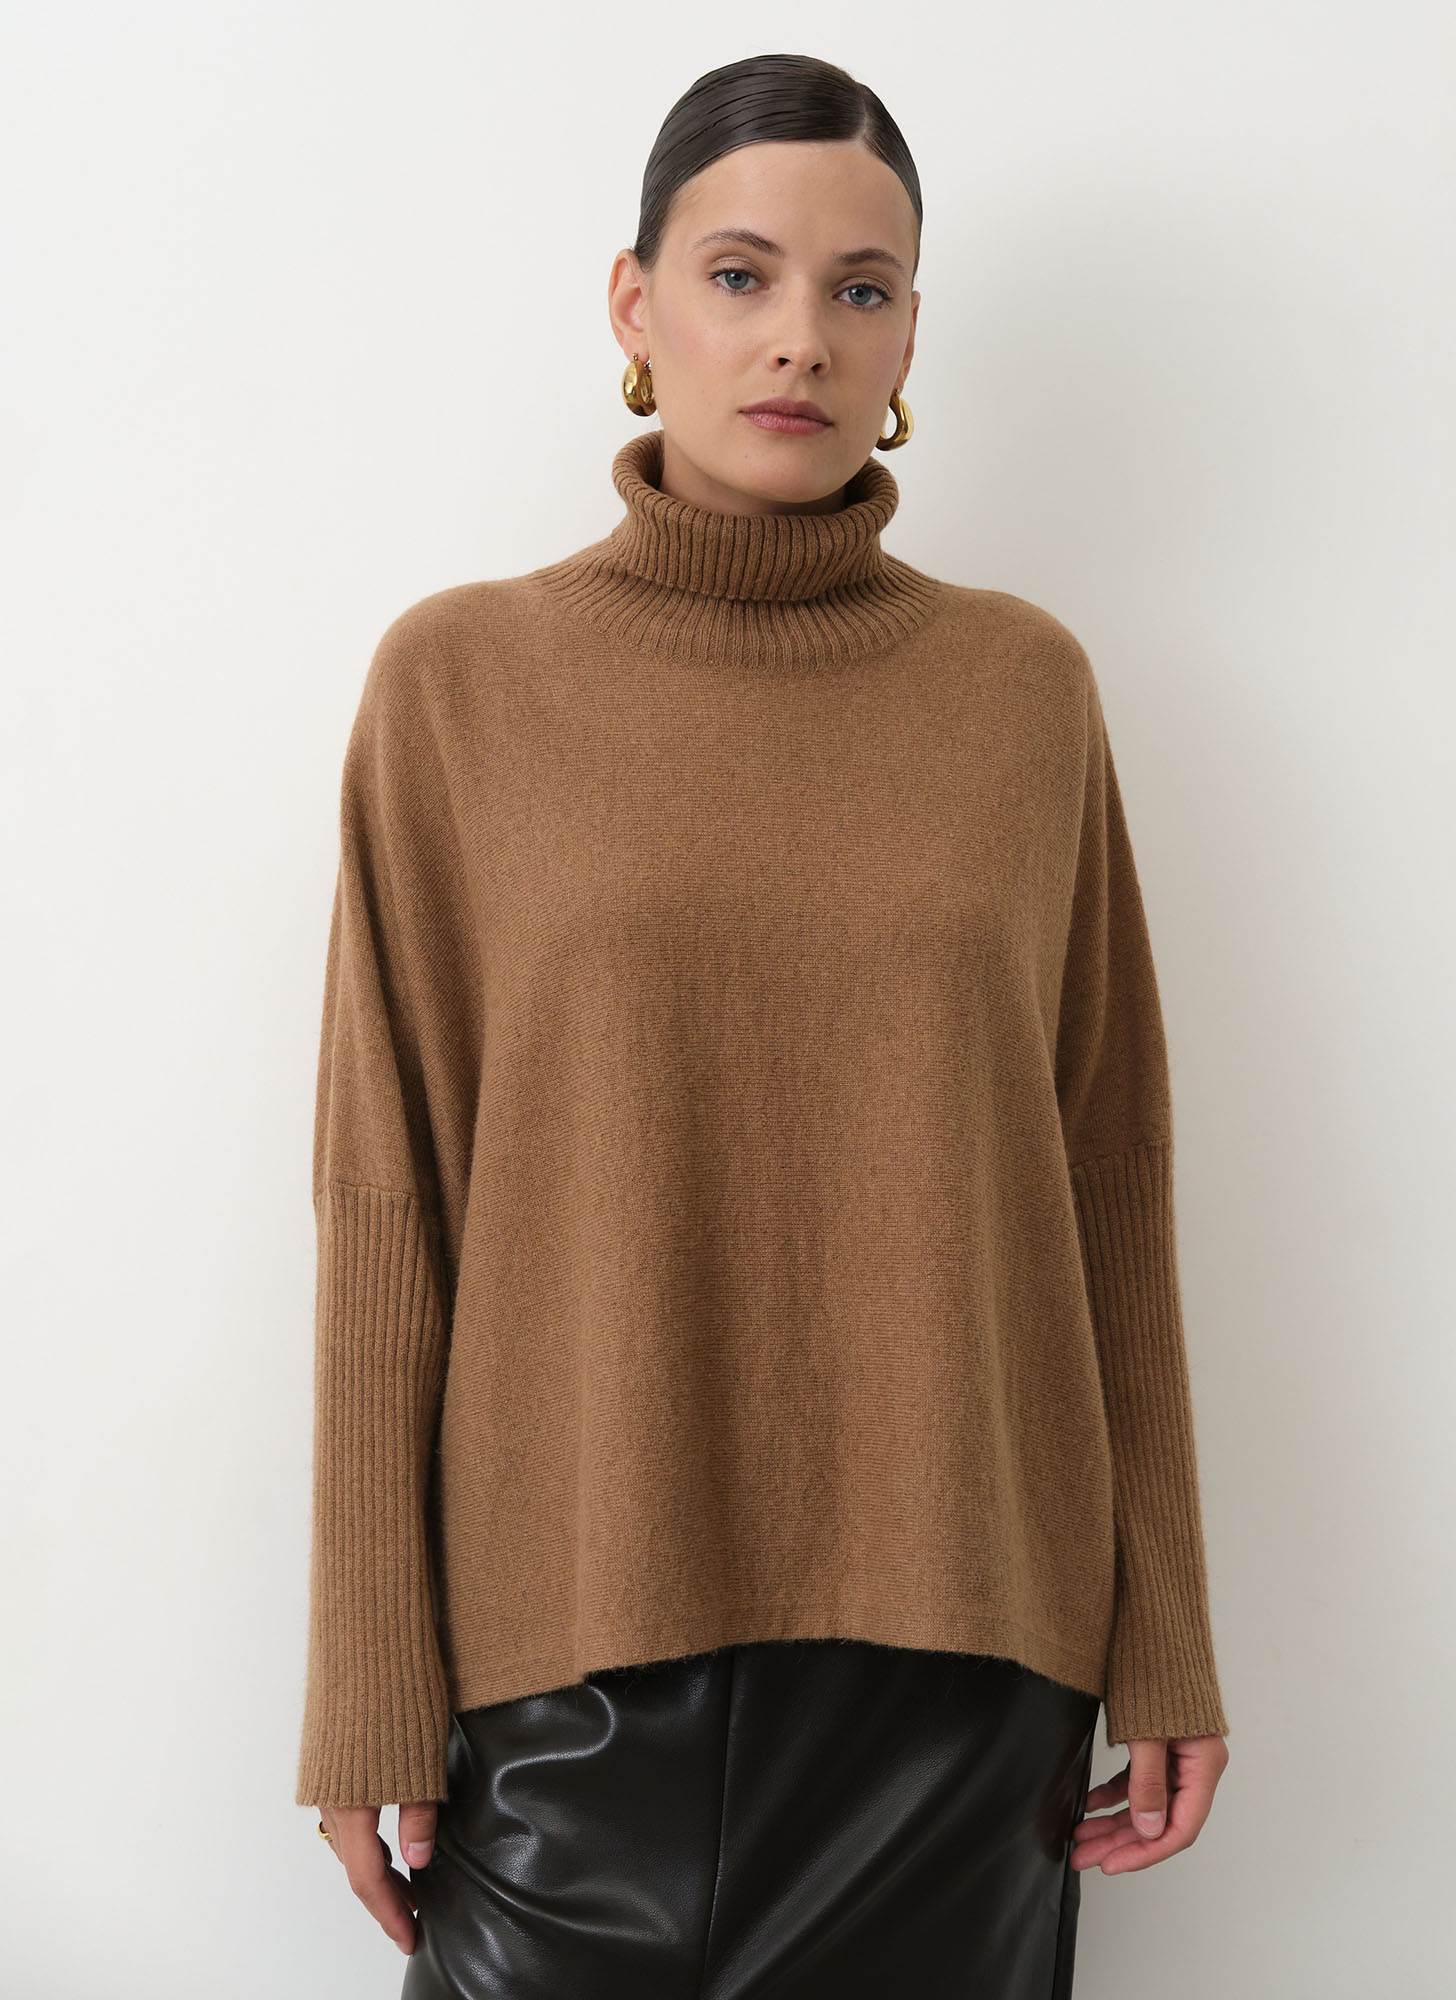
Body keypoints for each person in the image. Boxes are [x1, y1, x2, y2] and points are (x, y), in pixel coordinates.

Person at [296, 50, 1230, 1999]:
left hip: (961, 1690)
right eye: (740, 274)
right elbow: (388, 1199)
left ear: (909, 339)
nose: (802, 334)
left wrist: (1167, 1637)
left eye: (860, 287)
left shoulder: (1020, 694)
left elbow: (1108, 1182)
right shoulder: (461, 686)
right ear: (634, 306)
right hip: (564, 1688)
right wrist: (367, 1677)